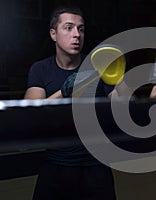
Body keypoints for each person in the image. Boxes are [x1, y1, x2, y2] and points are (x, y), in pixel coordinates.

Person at [24, 5, 116, 200]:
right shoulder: (40, 70)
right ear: (53, 33)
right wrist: (65, 91)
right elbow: (30, 117)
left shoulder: (97, 66)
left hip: (96, 166)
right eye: (68, 27)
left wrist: (118, 76)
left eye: (81, 29)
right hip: (56, 165)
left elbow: (126, 108)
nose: (76, 34)